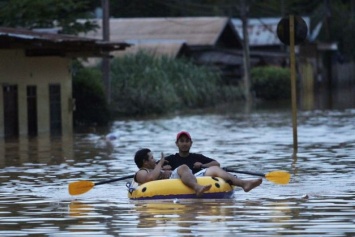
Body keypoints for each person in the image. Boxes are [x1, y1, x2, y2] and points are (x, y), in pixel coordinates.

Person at [163, 131, 262, 192]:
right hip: (176, 180)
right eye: (182, 141)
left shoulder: (197, 157)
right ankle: (197, 188)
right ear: (177, 144)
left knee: (214, 169)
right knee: (184, 167)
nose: (184, 143)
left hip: (197, 178)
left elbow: (216, 164)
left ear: (191, 143)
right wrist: (163, 168)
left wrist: (202, 165)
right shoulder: (170, 158)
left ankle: (243, 184)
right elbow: (153, 168)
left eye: (187, 141)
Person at [133, 148, 212, 197]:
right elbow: (151, 178)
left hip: (171, 182)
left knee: (184, 168)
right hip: (163, 187)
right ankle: (197, 187)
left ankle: (197, 185)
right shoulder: (141, 172)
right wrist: (160, 163)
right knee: (183, 167)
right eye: (152, 158)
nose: (154, 160)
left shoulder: (153, 169)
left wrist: (165, 170)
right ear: (145, 162)